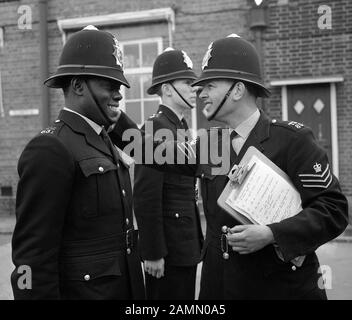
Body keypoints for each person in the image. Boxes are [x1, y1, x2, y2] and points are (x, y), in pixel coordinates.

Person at [115, 34, 349, 300]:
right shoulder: (213, 145)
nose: (201, 92)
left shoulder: (292, 140)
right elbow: (153, 152)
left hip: (278, 288)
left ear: (237, 90)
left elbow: (333, 210)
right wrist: (111, 115)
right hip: (220, 287)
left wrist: (272, 233)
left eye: (210, 85)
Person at [11, 26, 145, 300]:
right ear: (78, 85)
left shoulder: (104, 138)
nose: (119, 94)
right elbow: (31, 259)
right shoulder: (51, 148)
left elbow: (149, 151)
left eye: (119, 86)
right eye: (109, 85)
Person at [133, 48, 203, 300]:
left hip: (183, 243)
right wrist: (153, 251)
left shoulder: (178, 126)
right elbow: (145, 195)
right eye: (187, 83)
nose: (194, 89)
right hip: (168, 250)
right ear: (167, 89)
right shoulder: (156, 128)